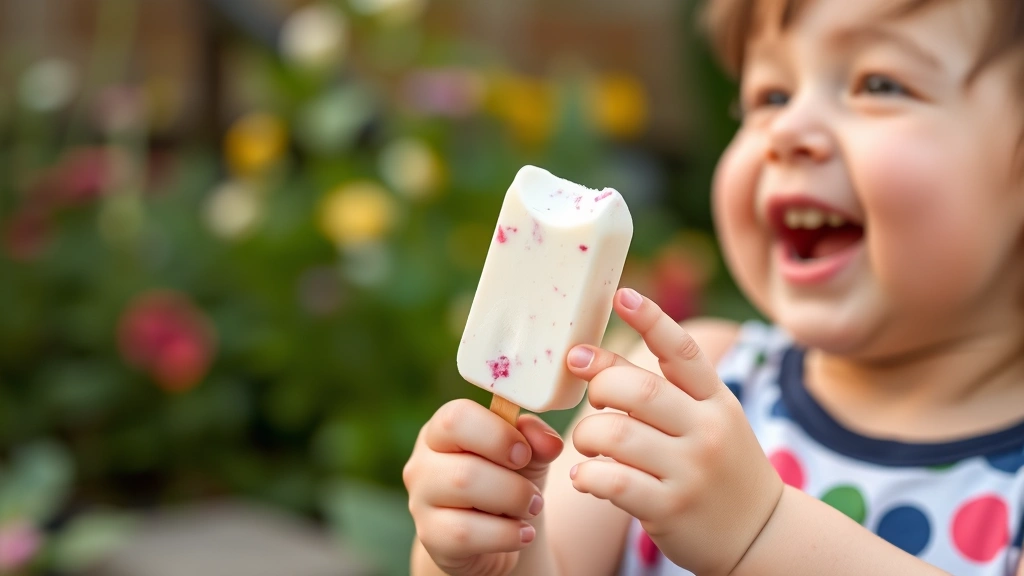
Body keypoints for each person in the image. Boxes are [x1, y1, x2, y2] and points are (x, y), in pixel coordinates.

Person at [402, 0, 1024, 573]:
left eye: (879, 85)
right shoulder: (686, 387)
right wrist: (487, 555)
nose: (786, 131)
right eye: (769, 95)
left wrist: (761, 531)